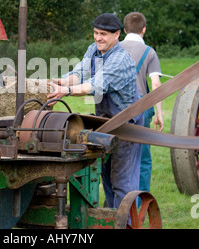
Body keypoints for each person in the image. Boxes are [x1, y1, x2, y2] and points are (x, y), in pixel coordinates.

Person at [48, 13, 143, 208]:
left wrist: (65, 91)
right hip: (106, 123)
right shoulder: (94, 50)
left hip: (126, 124)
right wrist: (62, 82)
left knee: (122, 179)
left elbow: (94, 85)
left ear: (117, 35)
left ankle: (125, 221)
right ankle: (111, 217)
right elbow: (80, 74)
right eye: (95, 33)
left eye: (103, 34)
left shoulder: (119, 60)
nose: (98, 38)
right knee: (106, 174)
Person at [121, 12, 164, 198]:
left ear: (124, 30)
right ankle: (138, 204)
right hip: (141, 107)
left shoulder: (114, 48)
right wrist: (159, 113)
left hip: (117, 107)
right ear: (143, 30)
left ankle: (118, 200)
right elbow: (155, 84)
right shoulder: (149, 52)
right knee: (143, 158)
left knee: (118, 155)